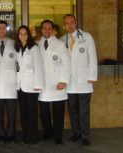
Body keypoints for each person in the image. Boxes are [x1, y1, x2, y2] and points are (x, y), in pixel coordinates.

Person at [60, 14, 98, 146]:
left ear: (76, 23)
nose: (69, 25)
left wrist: (92, 76)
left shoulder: (86, 37)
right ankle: (76, 133)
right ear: (64, 25)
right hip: (69, 82)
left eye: (71, 22)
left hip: (84, 81)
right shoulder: (61, 40)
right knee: (73, 110)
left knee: (84, 110)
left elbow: (93, 58)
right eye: (67, 23)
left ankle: (85, 135)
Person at [38, 20, 71, 145]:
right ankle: (48, 132)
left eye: (49, 28)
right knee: (44, 112)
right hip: (43, 84)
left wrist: (63, 80)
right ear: (41, 30)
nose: (47, 30)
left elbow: (66, 63)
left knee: (58, 112)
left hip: (57, 83)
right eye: (44, 28)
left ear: (53, 30)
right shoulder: (36, 44)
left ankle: (58, 135)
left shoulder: (60, 44)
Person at [15, 25, 44, 144]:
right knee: (24, 112)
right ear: (18, 35)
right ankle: (25, 135)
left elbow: (38, 67)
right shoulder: (16, 48)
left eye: (25, 33)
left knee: (32, 112)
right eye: (20, 33)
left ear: (29, 35)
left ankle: (32, 137)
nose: (23, 35)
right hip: (21, 86)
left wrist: (38, 84)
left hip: (32, 85)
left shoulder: (34, 48)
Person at [0, 20, 17, 143]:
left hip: (11, 83)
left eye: (4, 28)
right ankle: (1, 134)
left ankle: (11, 134)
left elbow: (19, 62)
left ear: (6, 30)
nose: (2, 30)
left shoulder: (14, 43)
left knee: (12, 112)